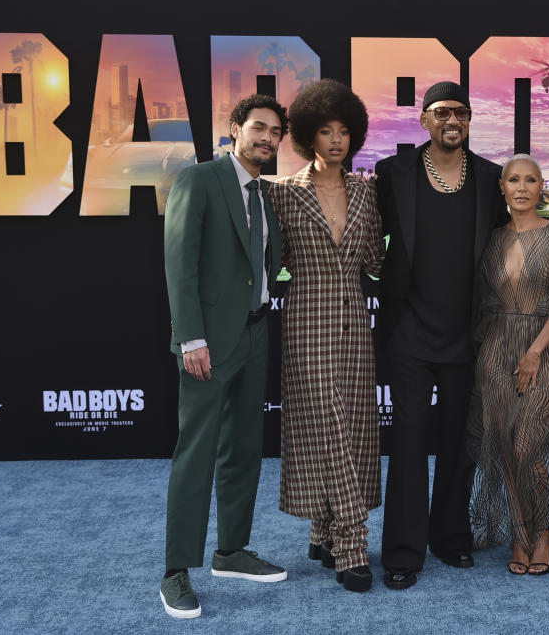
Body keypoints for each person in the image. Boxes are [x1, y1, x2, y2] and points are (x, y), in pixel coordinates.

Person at [375, 81, 508, 590]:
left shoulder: (490, 179)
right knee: (407, 444)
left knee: (459, 441)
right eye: (442, 111)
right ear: (425, 120)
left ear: (470, 120)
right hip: (409, 330)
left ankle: (451, 537)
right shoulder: (396, 172)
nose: (453, 120)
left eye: (462, 112)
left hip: (467, 334)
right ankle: (404, 552)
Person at [160, 94, 288, 618]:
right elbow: (179, 262)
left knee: (243, 448)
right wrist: (191, 338)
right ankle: (175, 570)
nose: (267, 138)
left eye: (276, 132)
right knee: (196, 452)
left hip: (256, 335)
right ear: (235, 129)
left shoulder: (264, 192)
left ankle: (232, 551)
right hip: (208, 343)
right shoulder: (201, 179)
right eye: (259, 128)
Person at [268, 79, 384, 593]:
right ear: (307, 136)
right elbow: (272, 259)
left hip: (357, 323)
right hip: (307, 319)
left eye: (344, 131)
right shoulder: (285, 195)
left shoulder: (365, 191)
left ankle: (322, 526)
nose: (336, 140)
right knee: (330, 420)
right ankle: (352, 544)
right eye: (325, 131)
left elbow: (377, 263)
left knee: (354, 422)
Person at [466, 154, 549, 575]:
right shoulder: (492, 239)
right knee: (503, 444)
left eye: (530, 180)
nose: (521, 187)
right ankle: (522, 533)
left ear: (542, 187)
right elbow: (483, 300)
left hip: (545, 349)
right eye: (513, 180)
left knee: (528, 445)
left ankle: (544, 533)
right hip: (498, 349)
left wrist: (535, 351)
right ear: (501, 187)